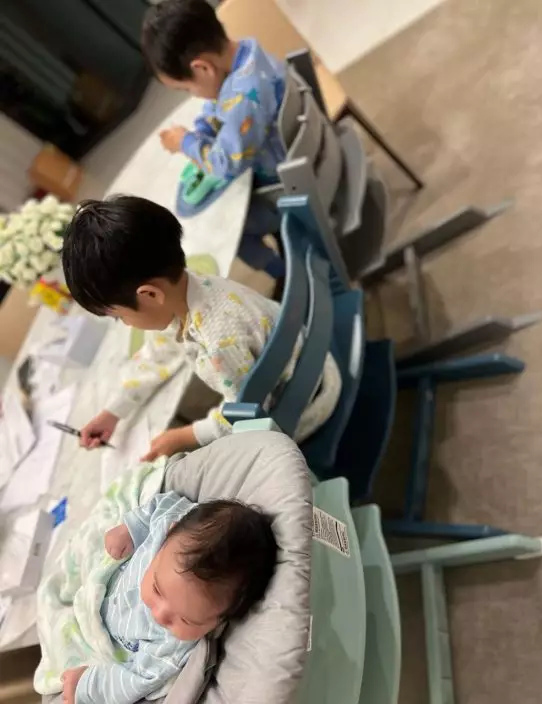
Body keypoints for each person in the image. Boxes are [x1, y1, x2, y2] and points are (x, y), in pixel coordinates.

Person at [61, 196, 341, 460]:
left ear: (150, 295)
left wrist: (183, 436)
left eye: (118, 317)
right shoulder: (190, 288)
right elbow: (159, 354)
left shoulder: (220, 341)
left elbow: (248, 415)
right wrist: (113, 411)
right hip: (311, 358)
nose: (125, 323)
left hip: (307, 403)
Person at [61, 493, 277, 704]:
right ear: (169, 533)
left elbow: (135, 679)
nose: (160, 615)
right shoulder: (173, 526)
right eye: (157, 589)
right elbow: (162, 504)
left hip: (101, 627)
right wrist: (131, 528)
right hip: (107, 574)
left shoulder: (171, 648)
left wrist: (86, 686)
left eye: (185, 620)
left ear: (220, 621)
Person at [142, 0, 286, 283]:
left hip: (287, 188)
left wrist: (185, 142)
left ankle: (284, 273)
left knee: (230, 227)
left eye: (186, 88)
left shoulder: (243, 98)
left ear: (202, 68)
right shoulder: (247, 54)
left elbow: (224, 164)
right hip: (293, 158)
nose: (192, 95)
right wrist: (201, 128)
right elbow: (219, 103)